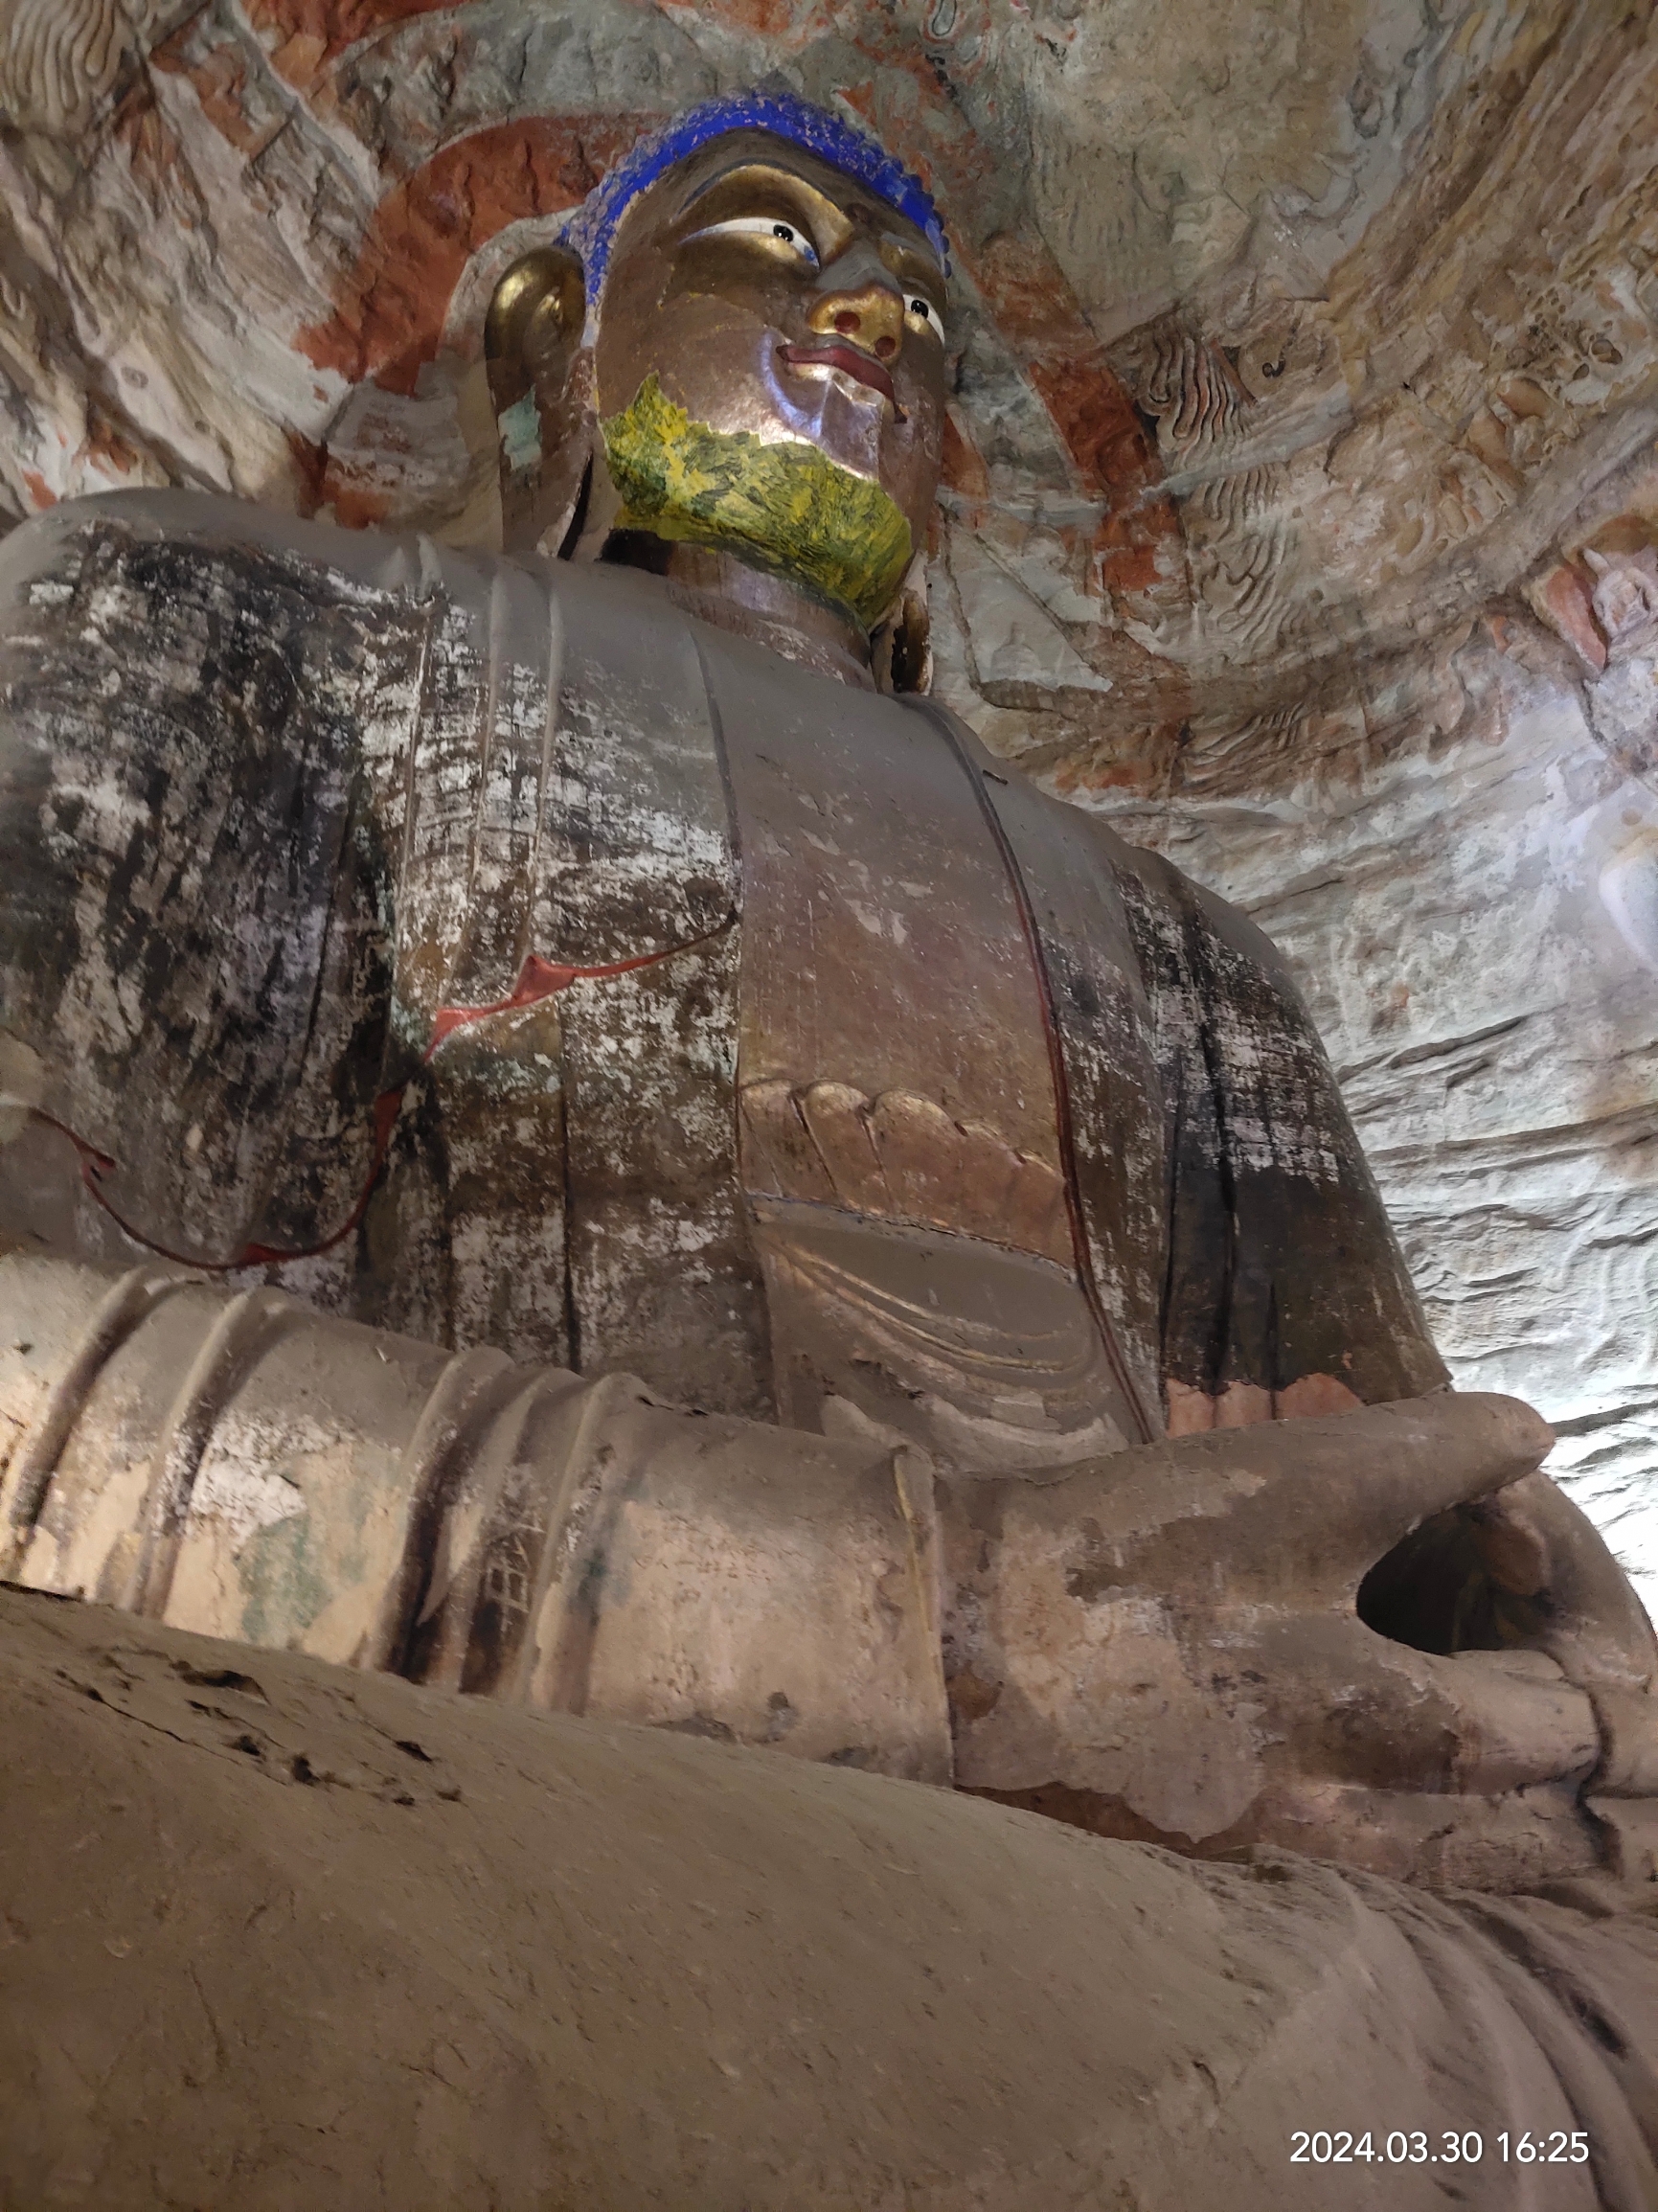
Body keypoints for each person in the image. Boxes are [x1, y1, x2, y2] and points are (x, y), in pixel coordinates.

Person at [0, 92, 1653, 1894]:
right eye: (773, 243)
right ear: (559, 336)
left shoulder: (1194, 950)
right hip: (522, 1809)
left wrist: (1524, 1627)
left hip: (1219, 1874)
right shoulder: (225, 608)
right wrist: (952, 1630)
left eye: (924, 320)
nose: (874, 319)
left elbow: (1423, 1510)